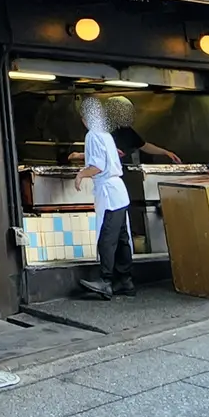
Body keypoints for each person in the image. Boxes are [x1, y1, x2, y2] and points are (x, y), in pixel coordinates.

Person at [74, 97, 133, 299]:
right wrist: (80, 156)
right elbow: (108, 156)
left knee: (107, 238)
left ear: (84, 118)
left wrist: (81, 173)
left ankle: (105, 281)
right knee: (122, 238)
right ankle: (125, 281)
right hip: (119, 191)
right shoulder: (105, 134)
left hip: (108, 192)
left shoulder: (92, 135)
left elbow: (98, 166)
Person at [68, 95, 180, 165]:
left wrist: (166, 152)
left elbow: (143, 145)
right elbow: (73, 156)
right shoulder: (97, 134)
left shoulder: (125, 131)